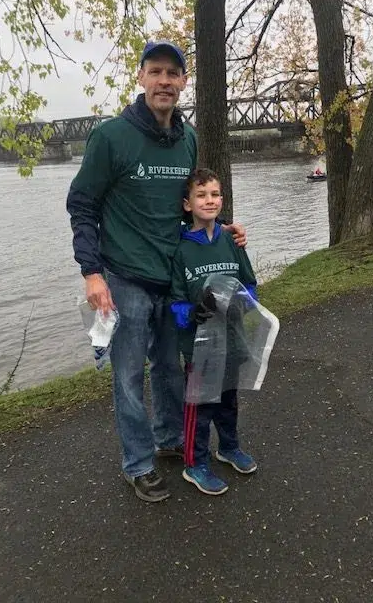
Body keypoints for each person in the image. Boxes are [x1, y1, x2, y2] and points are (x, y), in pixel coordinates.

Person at [67, 41, 246, 503]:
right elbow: (82, 205)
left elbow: (186, 207)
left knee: (170, 368)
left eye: (173, 73)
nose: (164, 81)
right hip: (124, 278)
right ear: (141, 77)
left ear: (184, 81)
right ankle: (138, 463)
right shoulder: (111, 137)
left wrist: (220, 229)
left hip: (174, 279)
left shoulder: (188, 139)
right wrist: (92, 272)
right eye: (156, 71)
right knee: (128, 376)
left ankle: (170, 439)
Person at [170, 168, 258, 496]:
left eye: (215, 194)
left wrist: (243, 302)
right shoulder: (180, 249)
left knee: (228, 399)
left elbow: (250, 285)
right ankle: (195, 463)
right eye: (201, 195)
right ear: (187, 204)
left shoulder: (232, 242)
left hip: (232, 339)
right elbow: (175, 303)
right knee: (201, 406)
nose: (210, 200)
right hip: (199, 346)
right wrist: (193, 312)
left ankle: (229, 447)